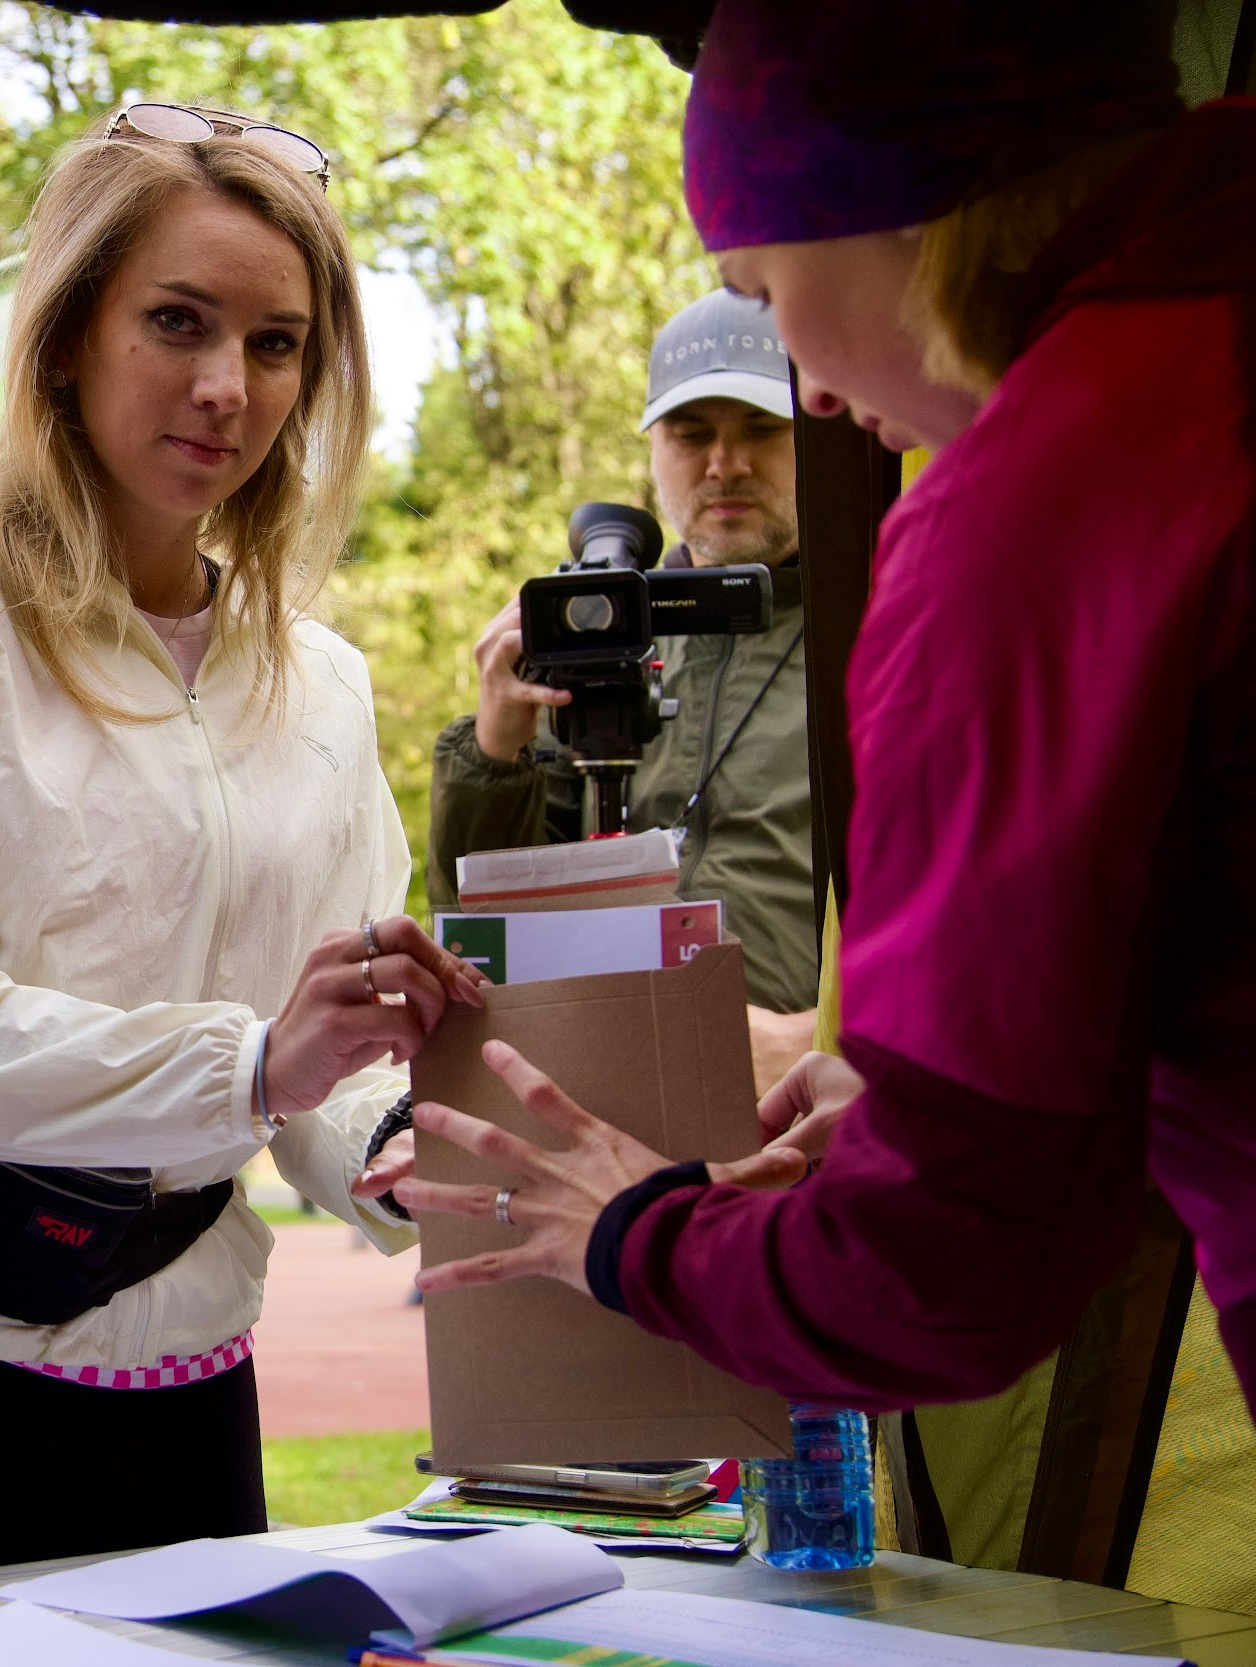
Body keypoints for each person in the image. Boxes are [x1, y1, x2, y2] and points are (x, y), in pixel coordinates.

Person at [386, 0, 1256, 1420]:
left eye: (764, 282)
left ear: (886, 210)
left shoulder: (1036, 505)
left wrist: (637, 1230)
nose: (814, 384)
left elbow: (944, 1273)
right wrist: (968, 1103)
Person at [0, 103, 485, 1573]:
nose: (225, 388)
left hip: (184, 1357)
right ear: (68, 333)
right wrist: (254, 1065)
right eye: (177, 322)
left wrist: (387, 1146)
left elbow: (326, 1041)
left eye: (277, 343)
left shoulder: (316, 677)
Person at [428, 290, 817, 1085]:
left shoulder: (886, 620)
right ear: (653, 453)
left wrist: (823, 1039)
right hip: (613, 1092)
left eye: (762, 430)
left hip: (817, 1112)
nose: (725, 464)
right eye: (691, 433)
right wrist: (497, 742)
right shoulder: (597, 635)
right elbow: (478, 935)